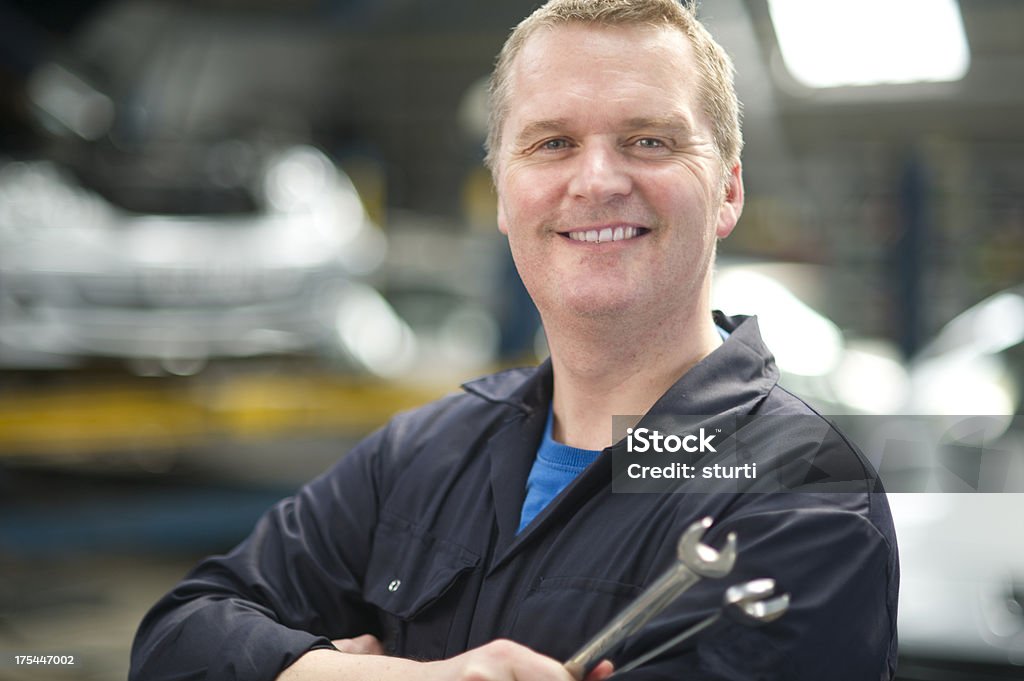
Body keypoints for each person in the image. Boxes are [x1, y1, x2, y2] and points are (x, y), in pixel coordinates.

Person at [130, 1, 899, 679]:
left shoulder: (806, 500)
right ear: (503, 192)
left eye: (650, 141)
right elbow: (177, 638)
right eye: (553, 143)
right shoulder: (424, 451)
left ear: (728, 188)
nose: (597, 180)